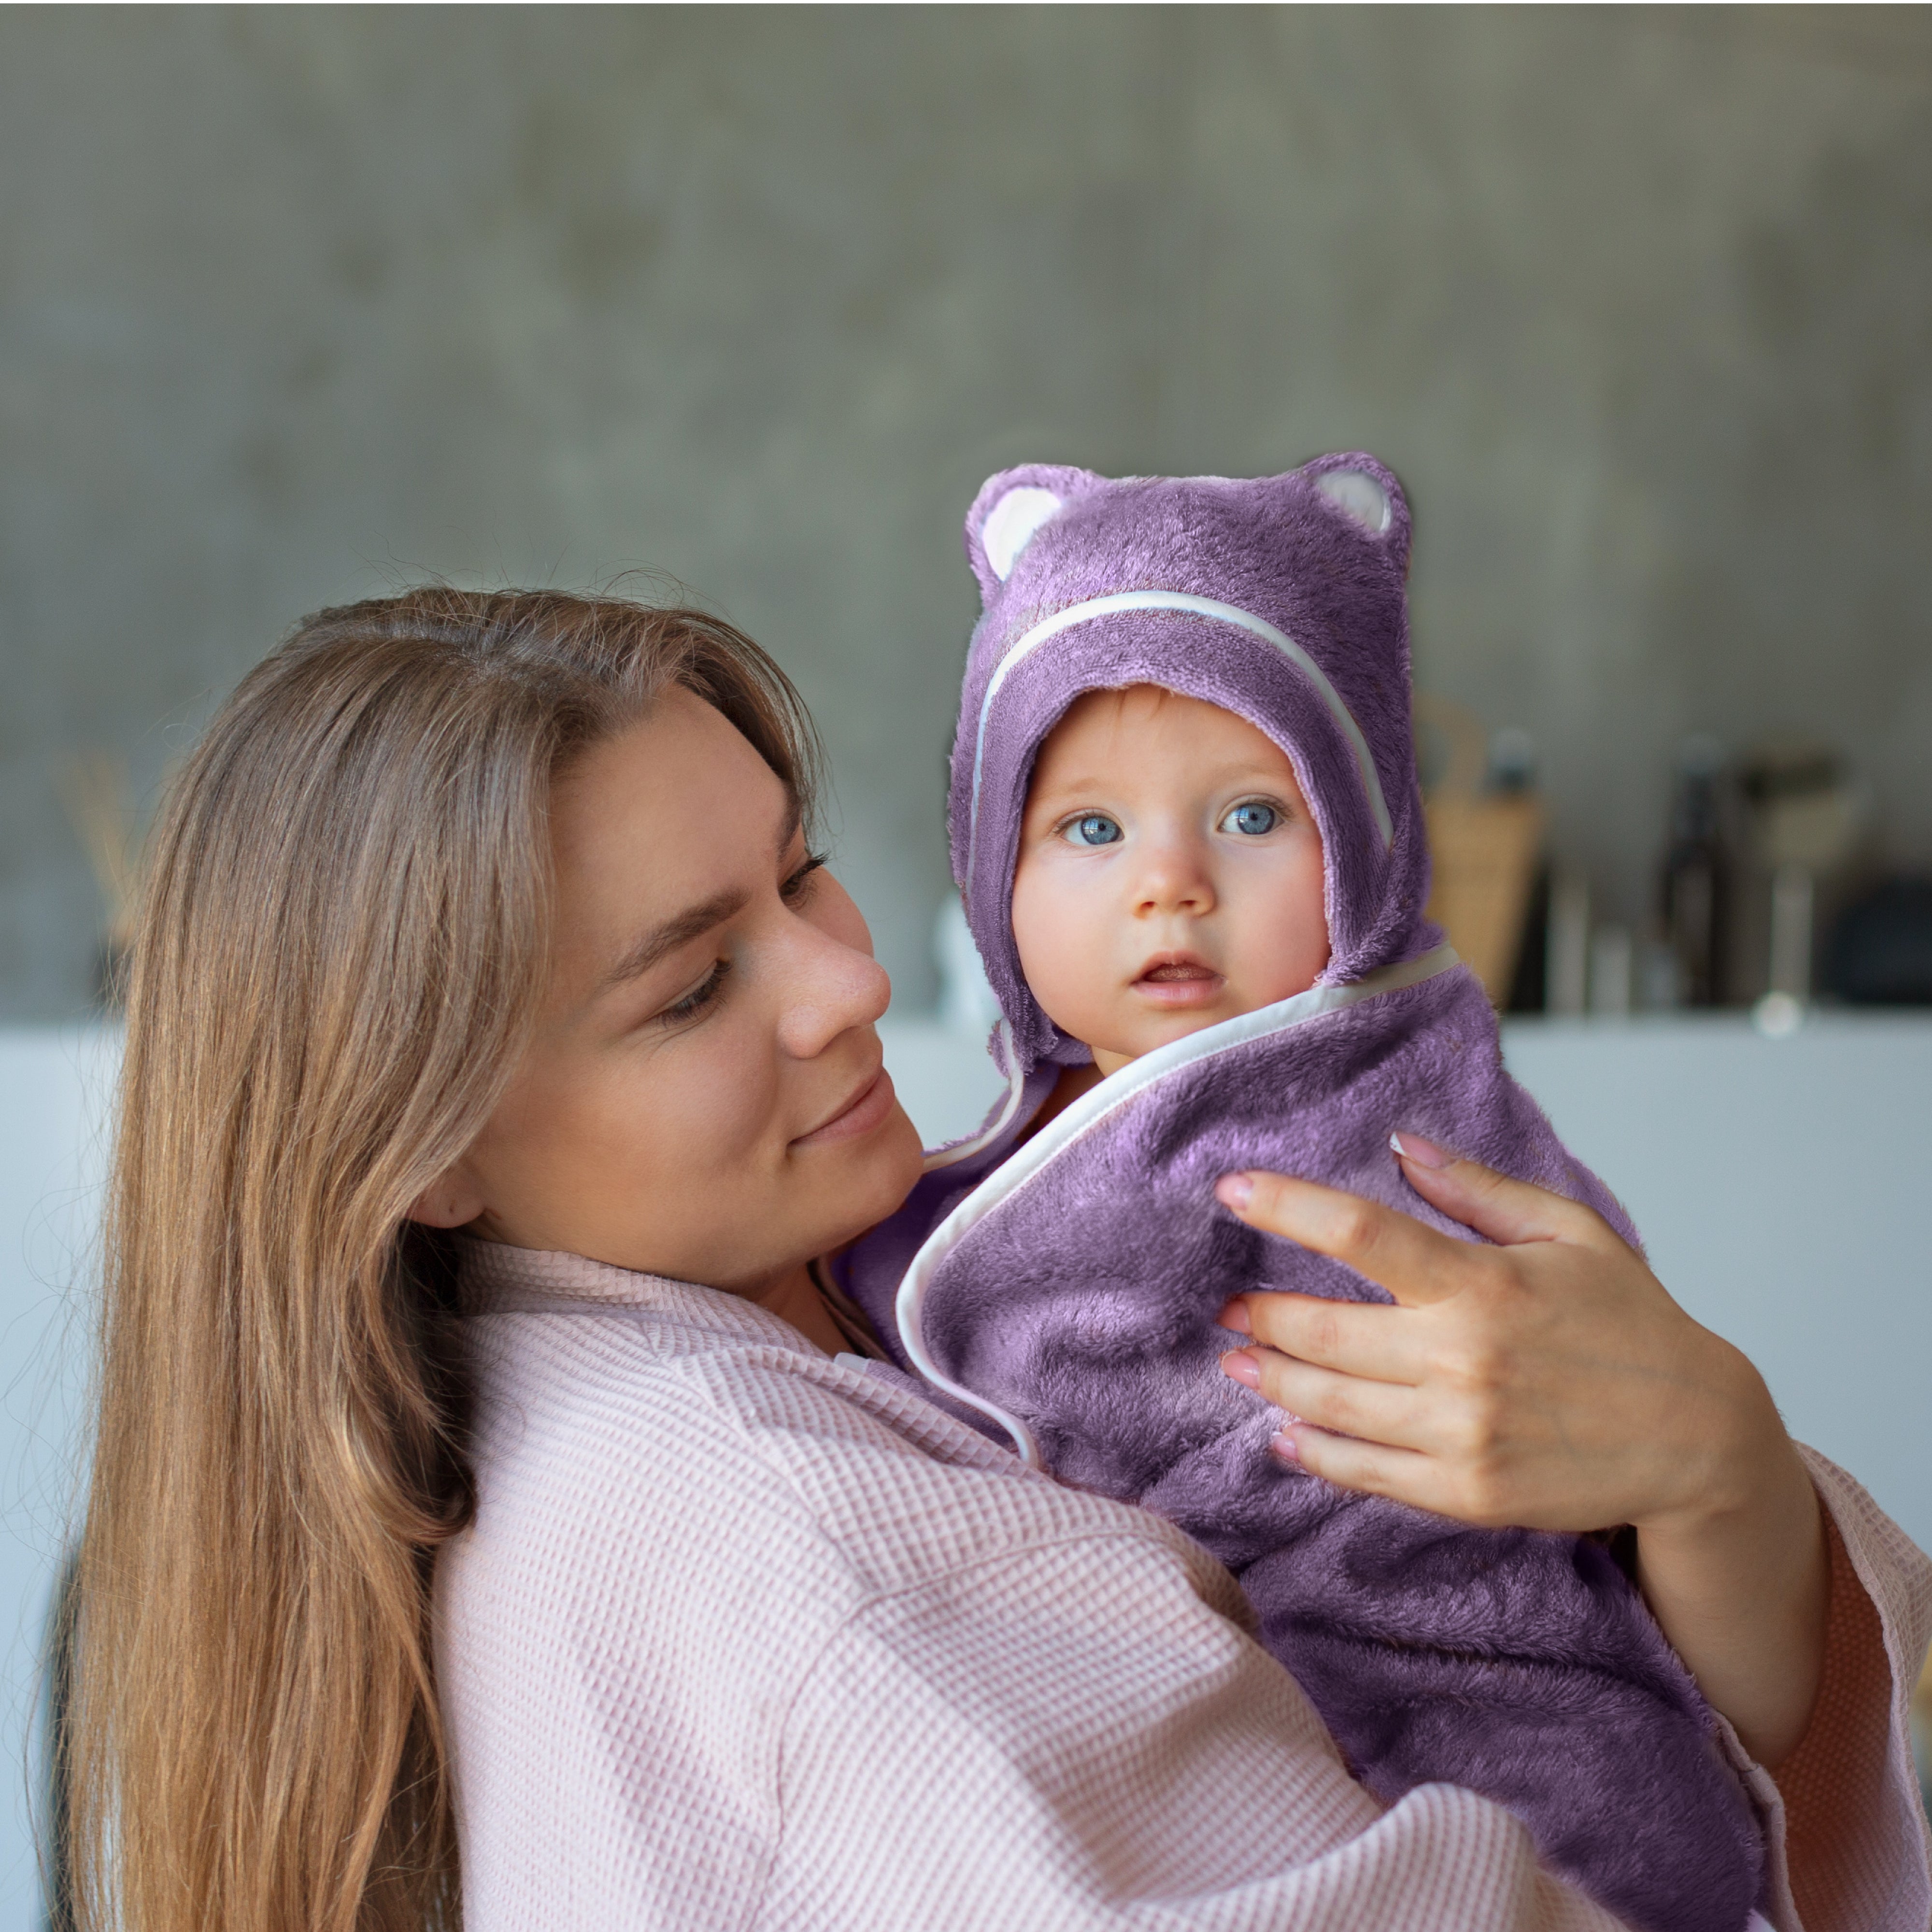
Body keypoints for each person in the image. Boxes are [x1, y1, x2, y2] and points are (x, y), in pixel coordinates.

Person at [66, 588, 1931, 1932]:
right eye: (695, 983)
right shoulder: (816, 1558)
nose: (853, 984)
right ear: (431, 1154)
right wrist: (1705, 1495)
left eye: (802, 875)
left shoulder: (847, 1303)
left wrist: (1714, 1473)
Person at [832, 457, 1755, 1932]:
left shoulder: (1416, 1093)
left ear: (1369, 842)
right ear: (990, 871)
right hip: (1216, 1739)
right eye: (1090, 830)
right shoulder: (988, 1161)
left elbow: (1602, 1366)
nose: (1170, 884)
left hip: (1500, 1712)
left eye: (1253, 817)